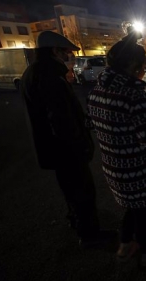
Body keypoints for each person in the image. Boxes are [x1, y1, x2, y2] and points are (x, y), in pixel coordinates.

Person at [20, 31, 116, 248]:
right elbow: (61, 119)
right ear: (54, 51)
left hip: (53, 149)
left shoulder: (34, 72)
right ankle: (90, 235)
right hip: (66, 150)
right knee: (83, 191)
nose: (69, 57)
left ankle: (76, 220)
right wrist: (79, 146)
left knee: (70, 189)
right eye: (66, 53)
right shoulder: (50, 77)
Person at [86, 34, 146, 266]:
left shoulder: (96, 91)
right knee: (143, 210)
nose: (145, 69)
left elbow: (92, 123)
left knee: (133, 207)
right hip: (136, 168)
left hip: (113, 166)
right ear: (133, 66)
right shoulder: (133, 95)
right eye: (143, 65)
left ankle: (125, 245)